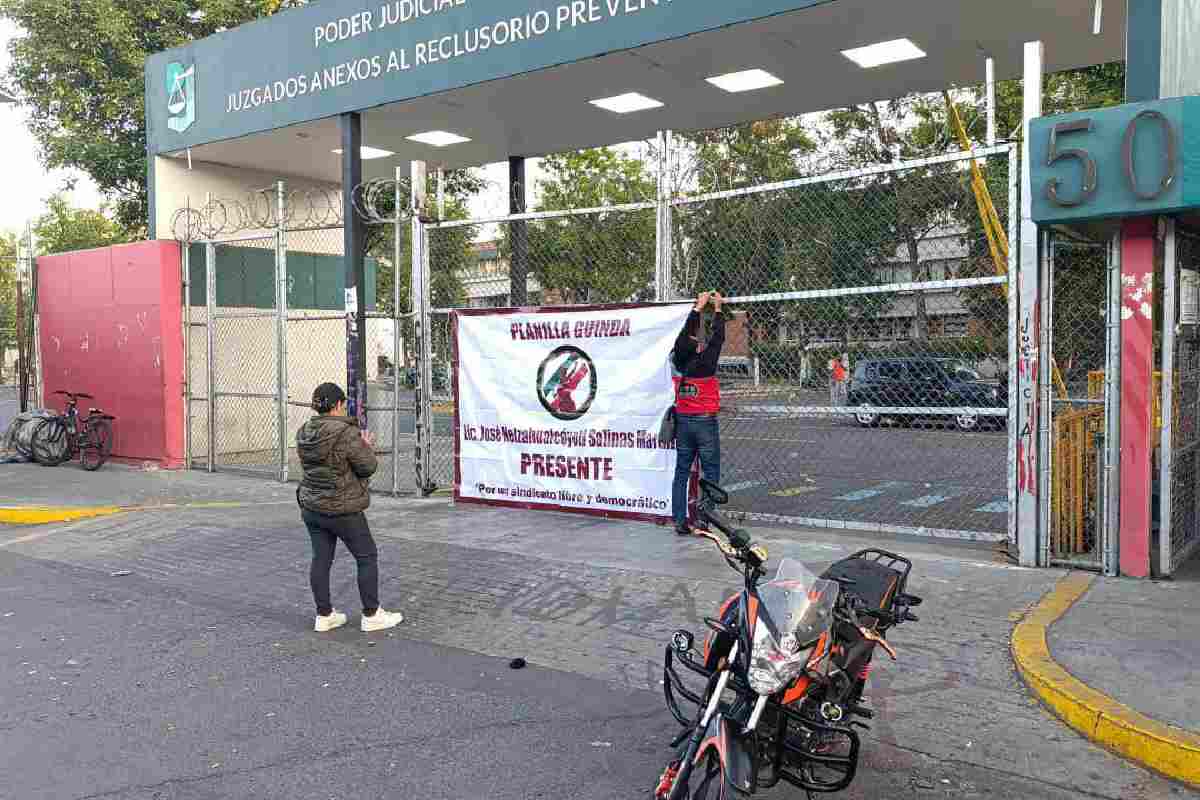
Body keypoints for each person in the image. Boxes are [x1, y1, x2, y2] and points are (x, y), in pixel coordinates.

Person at [296, 382, 404, 633]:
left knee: (321, 559)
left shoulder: (304, 432)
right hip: (342, 507)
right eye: (343, 404)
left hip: (312, 506)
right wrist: (366, 446)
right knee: (366, 556)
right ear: (337, 405)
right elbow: (367, 467)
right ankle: (372, 614)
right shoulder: (345, 433)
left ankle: (324, 615)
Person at [671, 291, 726, 536]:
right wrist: (717, 309)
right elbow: (718, 339)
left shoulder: (678, 364)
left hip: (683, 421)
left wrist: (697, 309)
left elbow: (684, 340)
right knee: (710, 470)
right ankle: (705, 518)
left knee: (682, 471)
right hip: (705, 421)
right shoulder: (707, 363)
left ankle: (680, 519)